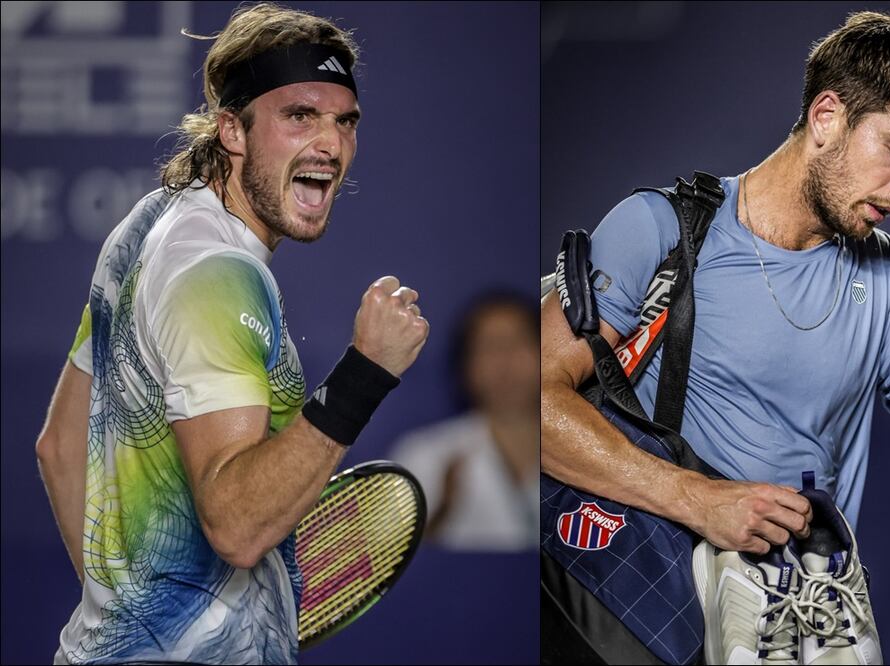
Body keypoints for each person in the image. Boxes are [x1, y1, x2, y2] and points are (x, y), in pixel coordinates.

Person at [541, 5, 890, 645]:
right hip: (647, 611)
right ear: (827, 118)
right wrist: (697, 499)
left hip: (792, 633)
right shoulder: (662, 231)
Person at [34, 4, 429, 664]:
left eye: (344, 121)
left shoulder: (148, 224)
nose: (331, 146)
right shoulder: (217, 273)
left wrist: (137, 629)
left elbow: (59, 448)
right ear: (232, 131)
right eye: (299, 115)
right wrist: (366, 370)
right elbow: (238, 526)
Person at [391, 293, 539, 552]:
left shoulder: (582, 453)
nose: (505, 361)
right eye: (489, 347)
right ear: (465, 367)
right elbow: (389, 569)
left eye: (518, 342)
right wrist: (440, 514)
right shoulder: (423, 457)